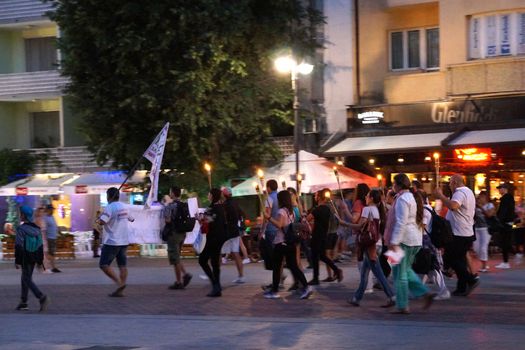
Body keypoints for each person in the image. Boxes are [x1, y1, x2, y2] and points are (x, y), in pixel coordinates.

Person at [389, 174, 435, 314]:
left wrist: (394, 242)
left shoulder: (403, 199)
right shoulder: (410, 197)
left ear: (398, 185)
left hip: (404, 240)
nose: (392, 186)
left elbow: (401, 222)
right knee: (402, 270)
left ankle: (403, 305)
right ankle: (423, 293)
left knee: (400, 273)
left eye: (393, 183)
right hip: (412, 239)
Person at [434, 174, 479, 297]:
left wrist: (441, 196)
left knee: (452, 259)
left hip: (459, 232)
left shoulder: (459, 192)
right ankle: (461, 286)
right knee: (460, 259)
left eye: (450, 183)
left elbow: (454, 206)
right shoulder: (468, 192)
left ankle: (470, 279)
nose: (449, 185)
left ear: (455, 182)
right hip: (465, 231)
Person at [263, 190, 313, 300]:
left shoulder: (281, 211)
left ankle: (274, 291)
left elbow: (279, 225)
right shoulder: (291, 211)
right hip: (290, 243)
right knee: (294, 266)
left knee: (277, 267)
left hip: (281, 242)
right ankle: (306, 286)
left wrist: (268, 217)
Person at [349, 189, 395, 308]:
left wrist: (343, 222)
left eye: (368, 195)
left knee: (378, 274)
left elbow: (360, 226)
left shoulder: (367, 209)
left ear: (372, 198)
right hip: (377, 244)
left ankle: (392, 296)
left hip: (370, 246)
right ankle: (356, 298)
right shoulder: (378, 210)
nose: (366, 196)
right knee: (364, 272)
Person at [97, 187, 134, 297]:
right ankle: (121, 289)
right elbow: (132, 219)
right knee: (122, 265)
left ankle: (119, 284)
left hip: (112, 241)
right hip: (124, 240)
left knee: (103, 264)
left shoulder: (109, 207)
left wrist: (99, 218)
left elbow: (102, 221)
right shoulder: (125, 207)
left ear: (109, 196)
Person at [14, 205, 49, 311]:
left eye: (21, 214)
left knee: (26, 278)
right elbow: (40, 245)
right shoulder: (36, 228)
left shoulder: (21, 229)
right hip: (33, 256)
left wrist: (17, 261)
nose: (20, 215)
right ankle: (23, 302)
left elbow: (18, 246)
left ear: (24, 216)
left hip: (25, 257)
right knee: (25, 277)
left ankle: (41, 297)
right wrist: (39, 260)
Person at [306, 189, 343, 285]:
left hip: (317, 235)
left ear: (319, 197)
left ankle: (315, 278)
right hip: (324, 235)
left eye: (316, 195)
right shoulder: (327, 209)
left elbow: (307, 219)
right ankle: (336, 270)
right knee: (322, 256)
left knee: (315, 256)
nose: (314, 197)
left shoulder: (317, 209)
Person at [198, 188, 228, 297]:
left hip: (213, 238)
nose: (208, 195)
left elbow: (206, 221)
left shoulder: (211, 208)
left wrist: (199, 218)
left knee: (202, 260)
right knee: (215, 263)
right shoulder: (221, 207)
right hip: (220, 238)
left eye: (209, 193)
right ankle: (217, 287)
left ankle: (215, 284)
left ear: (212, 195)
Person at [163, 186, 193, 289]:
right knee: (177, 256)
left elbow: (167, 220)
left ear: (172, 194)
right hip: (182, 234)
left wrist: (165, 206)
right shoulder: (183, 205)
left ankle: (181, 279)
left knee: (175, 259)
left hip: (173, 234)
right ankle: (180, 280)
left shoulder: (170, 206)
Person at [221, 186, 246, 284]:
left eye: (222, 193)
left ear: (225, 194)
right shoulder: (235, 202)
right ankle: (241, 276)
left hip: (228, 232)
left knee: (218, 252)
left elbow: (223, 218)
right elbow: (242, 214)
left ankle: (213, 274)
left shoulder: (225, 205)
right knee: (236, 253)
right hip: (235, 230)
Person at [495, 183, 515, 269]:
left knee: (504, 242)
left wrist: (499, 221)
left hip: (505, 223)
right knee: (506, 241)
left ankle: (506, 261)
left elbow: (503, 211)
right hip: (508, 222)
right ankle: (514, 255)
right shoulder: (510, 198)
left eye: (500, 188)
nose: (499, 190)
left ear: (505, 189)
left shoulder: (505, 198)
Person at [474, 191, 495, 272]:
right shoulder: (476, 206)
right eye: (479, 197)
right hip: (476, 228)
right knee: (476, 248)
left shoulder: (490, 205)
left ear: (485, 197)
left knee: (483, 248)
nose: (480, 199)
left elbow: (489, 215)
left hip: (486, 229)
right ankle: (483, 261)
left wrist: (481, 207)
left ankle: (484, 266)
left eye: (481, 197)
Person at [43, 204, 61, 273]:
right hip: (49, 238)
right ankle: (52, 267)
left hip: (53, 237)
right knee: (50, 253)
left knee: (52, 253)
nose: (53, 211)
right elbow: (44, 229)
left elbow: (55, 226)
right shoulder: (45, 218)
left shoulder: (52, 217)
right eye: (51, 209)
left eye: (53, 209)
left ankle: (52, 267)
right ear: (48, 210)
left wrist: (59, 232)